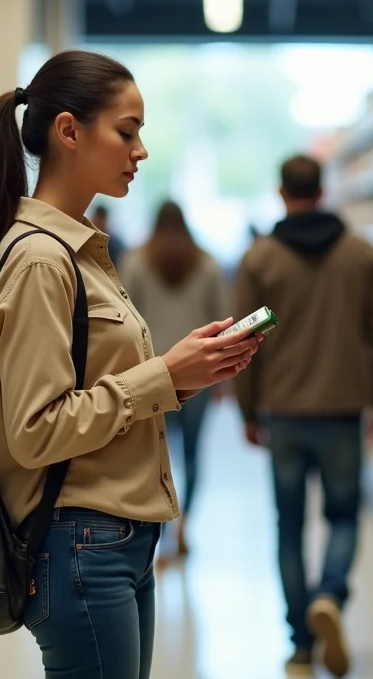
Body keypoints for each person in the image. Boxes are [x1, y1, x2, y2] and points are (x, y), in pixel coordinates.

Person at [0, 49, 262, 679]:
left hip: (117, 540)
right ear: (69, 132)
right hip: (80, 544)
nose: (141, 150)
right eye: (126, 132)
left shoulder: (81, 252)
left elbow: (93, 388)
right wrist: (163, 375)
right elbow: (35, 430)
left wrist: (184, 377)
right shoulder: (43, 260)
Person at [234, 154, 373, 678]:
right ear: (323, 191)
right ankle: (330, 593)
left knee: (288, 525)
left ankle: (301, 644)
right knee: (344, 515)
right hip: (343, 409)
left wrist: (247, 408)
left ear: (282, 193)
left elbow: (247, 336)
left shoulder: (262, 260)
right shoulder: (359, 255)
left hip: (283, 411)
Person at [120, 201, 227, 558]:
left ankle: (162, 527)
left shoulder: (136, 263)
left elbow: (121, 320)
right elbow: (221, 322)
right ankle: (186, 523)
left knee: (157, 455)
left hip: (151, 373)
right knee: (193, 455)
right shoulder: (207, 264)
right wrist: (223, 380)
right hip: (200, 374)